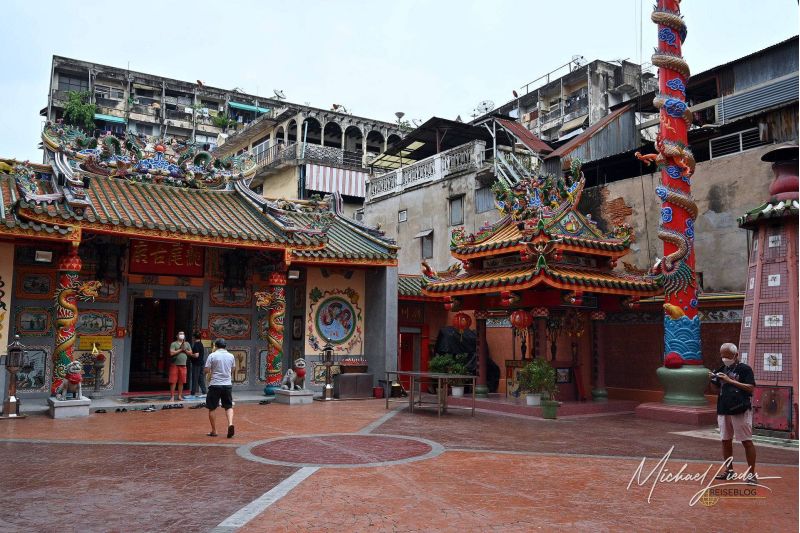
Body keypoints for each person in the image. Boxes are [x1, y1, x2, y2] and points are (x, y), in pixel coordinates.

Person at [709, 342, 757, 484]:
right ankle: (729, 471)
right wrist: (712, 379)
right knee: (725, 440)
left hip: (740, 409)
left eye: (727, 356)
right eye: (722, 356)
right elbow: (715, 390)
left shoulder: (744, 369)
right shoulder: (721, 369)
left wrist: (729, 380)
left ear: (736, 355)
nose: (725, 359)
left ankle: (751, 474)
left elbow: (750, 388)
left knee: (746, 441)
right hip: (723, 409)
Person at [205, 338, 236, 438]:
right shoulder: (231, 356)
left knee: (212, 408)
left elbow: (206, 370)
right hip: (227, 385)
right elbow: (233, 369)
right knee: (228, 406)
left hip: (215, 384)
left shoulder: (212, 355)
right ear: (225, 346)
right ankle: (230, 423)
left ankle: (214, 431)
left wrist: (210, 372)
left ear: (216, 346)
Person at [168, 331, 192, 402]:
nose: (182, 335)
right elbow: (171, 353)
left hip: (183, 365)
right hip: (174, 365)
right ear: (177, 336)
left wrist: (185, 350)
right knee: (173, 381)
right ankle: (172, 396)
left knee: (181, 382)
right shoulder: (174, 344)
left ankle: (179, 396)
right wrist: (181, 349)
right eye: (180, 334)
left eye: (183, 334)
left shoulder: (187, 344)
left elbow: (190, 353)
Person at [188, 331, 207, 399]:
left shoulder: (196, 345)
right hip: (201, 363)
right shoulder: (201, 344)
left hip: (196, 364)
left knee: (195, 378)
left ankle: (192, 394)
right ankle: (204, 392)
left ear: (194, 337)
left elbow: (196, 355)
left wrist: (190, 354)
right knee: (200, 378)